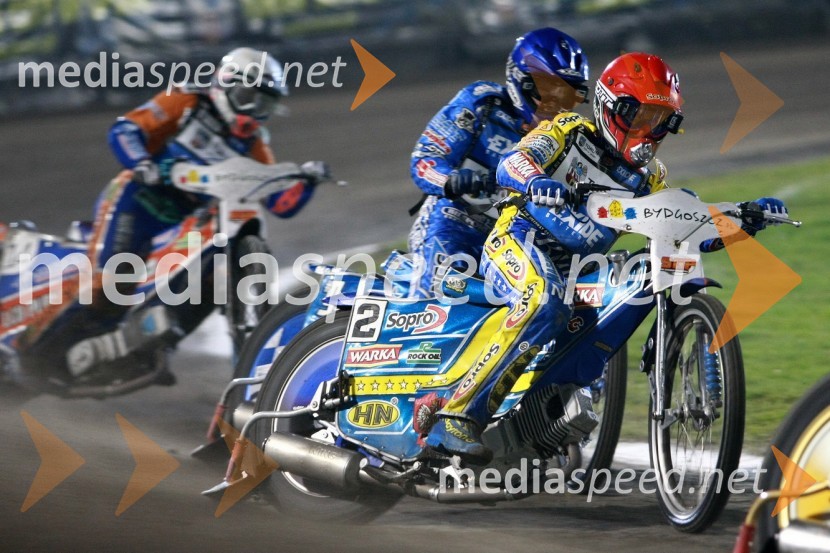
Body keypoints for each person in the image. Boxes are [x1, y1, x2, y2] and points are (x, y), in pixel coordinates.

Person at [424, 52, 788, 464]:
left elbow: (687, 232)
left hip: (576, 264)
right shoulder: (568, 129)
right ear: (611, 109)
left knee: (622, 288)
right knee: (544, 299)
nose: (649, 132)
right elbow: (514, 161)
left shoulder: (651, 179)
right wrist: (538, 180)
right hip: (517, 238)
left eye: (660, 120)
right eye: (641, 116)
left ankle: (546, 411)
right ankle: (458, 415)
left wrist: (743, 221)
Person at [66, 48, 317, 375]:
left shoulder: (253, 143)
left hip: (186, 221)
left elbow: (279, 202)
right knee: (111, 282)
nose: (253, 112)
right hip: (136, 202)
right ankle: (60, 343)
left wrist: (307, 180)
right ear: (226, 85)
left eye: (264, 104)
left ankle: (149, 340)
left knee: (211, 275)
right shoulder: (185, 101)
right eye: (248, 97)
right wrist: (143, 163)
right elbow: (125, 130)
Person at [407, 28, 590, 296]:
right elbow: (424, 160)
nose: (558, 104)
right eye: (549, 90)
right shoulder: (482, 104)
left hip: (514, 238)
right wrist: (452, 180)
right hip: (452, 223)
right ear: (520, 80)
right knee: (440, 298)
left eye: (568, 94)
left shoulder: (570, 135)